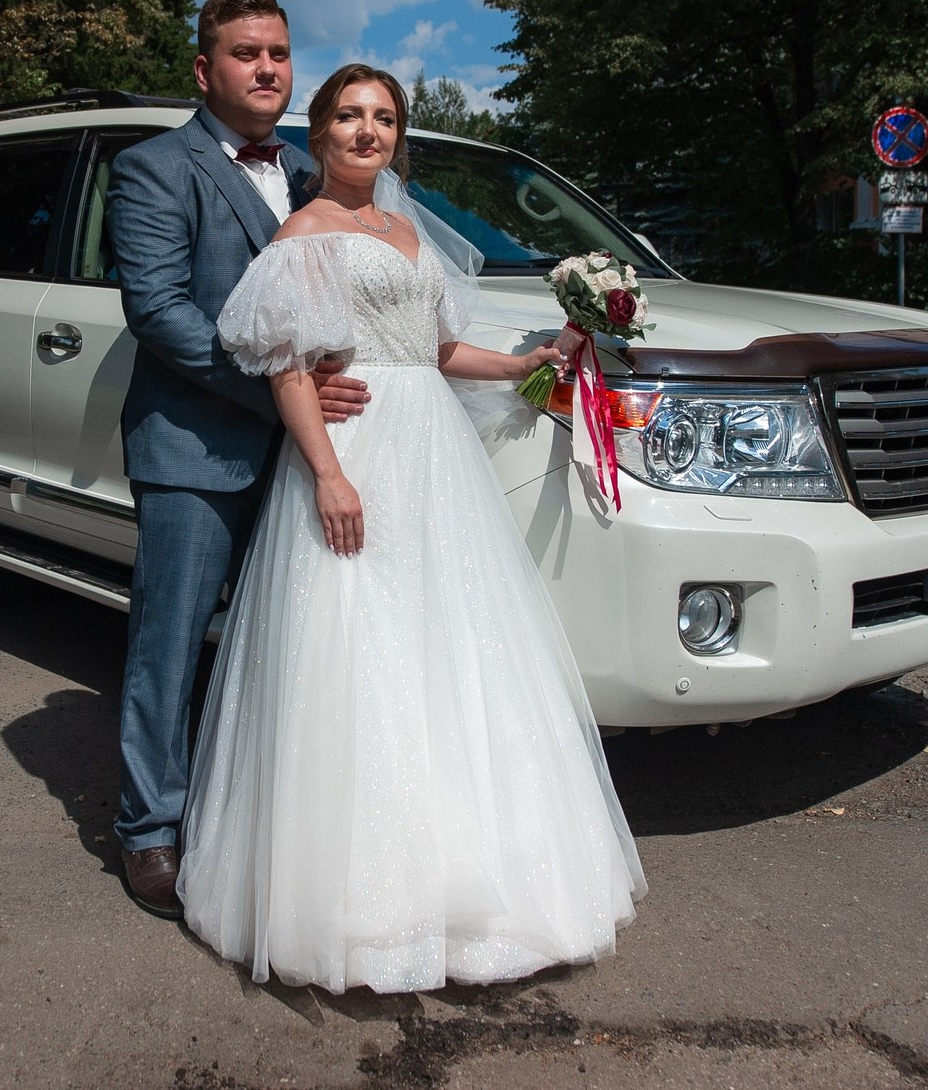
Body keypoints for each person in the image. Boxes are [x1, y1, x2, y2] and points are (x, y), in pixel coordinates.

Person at [175, 64, 644, 994]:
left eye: (383, 118)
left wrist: (527, 363)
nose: (367, 132)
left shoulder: (406, 228)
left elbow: (434, 352)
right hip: (361, 448)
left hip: (435, 452)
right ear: (318, 134)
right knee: (358, 646)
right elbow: (287, 367)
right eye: (348, 116)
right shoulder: (304, 233)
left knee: (449, 645)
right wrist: (328, 472)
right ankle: (364, 904)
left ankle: (477, 872)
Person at [105, 0, 371, 919]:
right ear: (204, 68)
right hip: (194, 447)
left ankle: (253, 816)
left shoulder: (310, 171)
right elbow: (161, 312)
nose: (267, 69)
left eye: (280, 54)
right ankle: (148, 829)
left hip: (304, 451)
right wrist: (277, 390)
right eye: (247, 53)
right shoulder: (152, 167)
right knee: (169, 646)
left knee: (284, 640)